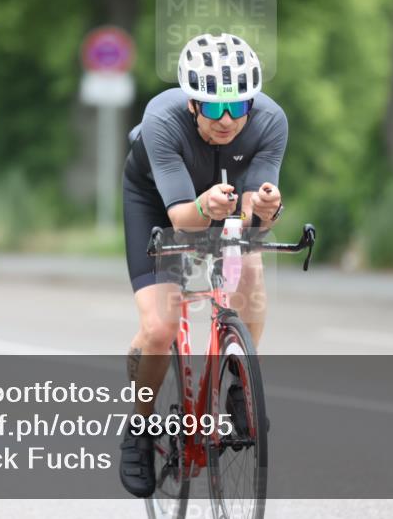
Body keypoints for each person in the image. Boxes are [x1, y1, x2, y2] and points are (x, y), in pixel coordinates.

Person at [119, 33, 287, 497]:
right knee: (158, 329)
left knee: (250, 270)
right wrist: (208, 208)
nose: (227, 119)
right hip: (159, 204)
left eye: (238, 106)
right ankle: (139, 428)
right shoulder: (161, 120)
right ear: (193, 104)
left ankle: (238, 382)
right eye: (213, 108)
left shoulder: (271, 121)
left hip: (222, 198)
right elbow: (181, 220)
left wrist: (266, 209)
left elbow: (254, 210)